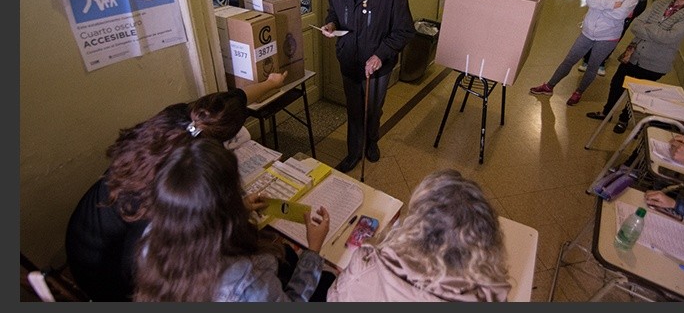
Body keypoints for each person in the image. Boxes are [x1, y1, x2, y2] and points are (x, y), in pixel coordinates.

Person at [64, 72, 288, 301]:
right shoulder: (154, 205)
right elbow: (147, 272)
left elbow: (230, 103)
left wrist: (271, 83)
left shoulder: (181, 124)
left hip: (90, 235)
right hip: (108, 275)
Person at [133, 137, 331, 301]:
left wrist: (241, 208)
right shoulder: (248, 282)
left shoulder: (151, 239)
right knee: (327, 280)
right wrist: (313, 250)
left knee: (287, 255)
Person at [326, 169, 511, 302]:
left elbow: (334, 297)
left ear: (415, 226)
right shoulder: (490, 294)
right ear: (488, 242)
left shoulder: (364, 266)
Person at [320, 0, 415, 173]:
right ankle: (354, 153)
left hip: (377, 65)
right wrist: (331, 24)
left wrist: (380, 55)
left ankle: (372, 141)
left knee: (372, 108)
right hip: (349, 59)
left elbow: (404, 31)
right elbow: (334, 11)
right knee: (353, 109)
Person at [586, 0, 684, 134]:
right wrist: (654, 30)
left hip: (655, 63)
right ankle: (606, 111)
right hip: (633, 55)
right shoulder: (660, 4)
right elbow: (636, 24)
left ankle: (624, 118)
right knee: (617, 83)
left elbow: (669, 37)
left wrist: (648, 28)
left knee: (638, 94)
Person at [529, 0, 646, 106]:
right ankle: (549, 86)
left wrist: (601, 5)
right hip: (588, 30)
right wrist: (611, 5)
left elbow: (621, 14)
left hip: (608, 36)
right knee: (569, 60)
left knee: (593, 65)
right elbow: (591, 0)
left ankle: (579, 92)